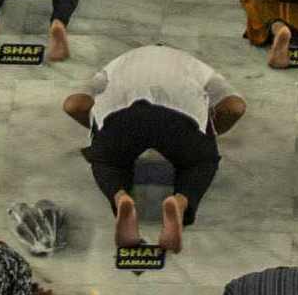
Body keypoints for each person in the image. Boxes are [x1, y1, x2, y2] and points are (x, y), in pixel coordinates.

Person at [68, 42, 244, 249]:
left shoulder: (120, 62)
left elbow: (74, 104)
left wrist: (99, 136)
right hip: (179, 117)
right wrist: (208, 135)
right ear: (173, 50)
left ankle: (122, 198)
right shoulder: (191, 63)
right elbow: (235, 107)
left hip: (120, 116)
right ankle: (179, 203)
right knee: (200, 163)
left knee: (109, 163)